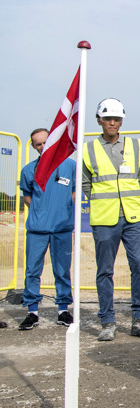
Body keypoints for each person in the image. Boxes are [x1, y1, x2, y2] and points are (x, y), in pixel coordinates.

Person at [82, 98, 140, 341]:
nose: (112, 122)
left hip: (133, 216)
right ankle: (107, 321)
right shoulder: (88, 149)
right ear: (99, 121)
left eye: (116, 119)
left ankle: (139, 319)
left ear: (121, 121)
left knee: (139, 267)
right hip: (105, 217)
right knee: (105, 270)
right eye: (107, 119)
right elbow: (86, 184)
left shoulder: (136, 146)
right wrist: (103, 200)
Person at [18, 128, 75, 330]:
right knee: (32, 271)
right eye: (38, 144)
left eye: (45, 142)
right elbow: (27, 198)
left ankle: (62, 310)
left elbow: (75, 192)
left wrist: (61, 210)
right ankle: (32, 312)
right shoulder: (28, 170)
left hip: (62, 228)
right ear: (33, 147)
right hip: (37, 230)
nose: (42, 147)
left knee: (62, 270)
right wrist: (42, 212)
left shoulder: (70, 166)